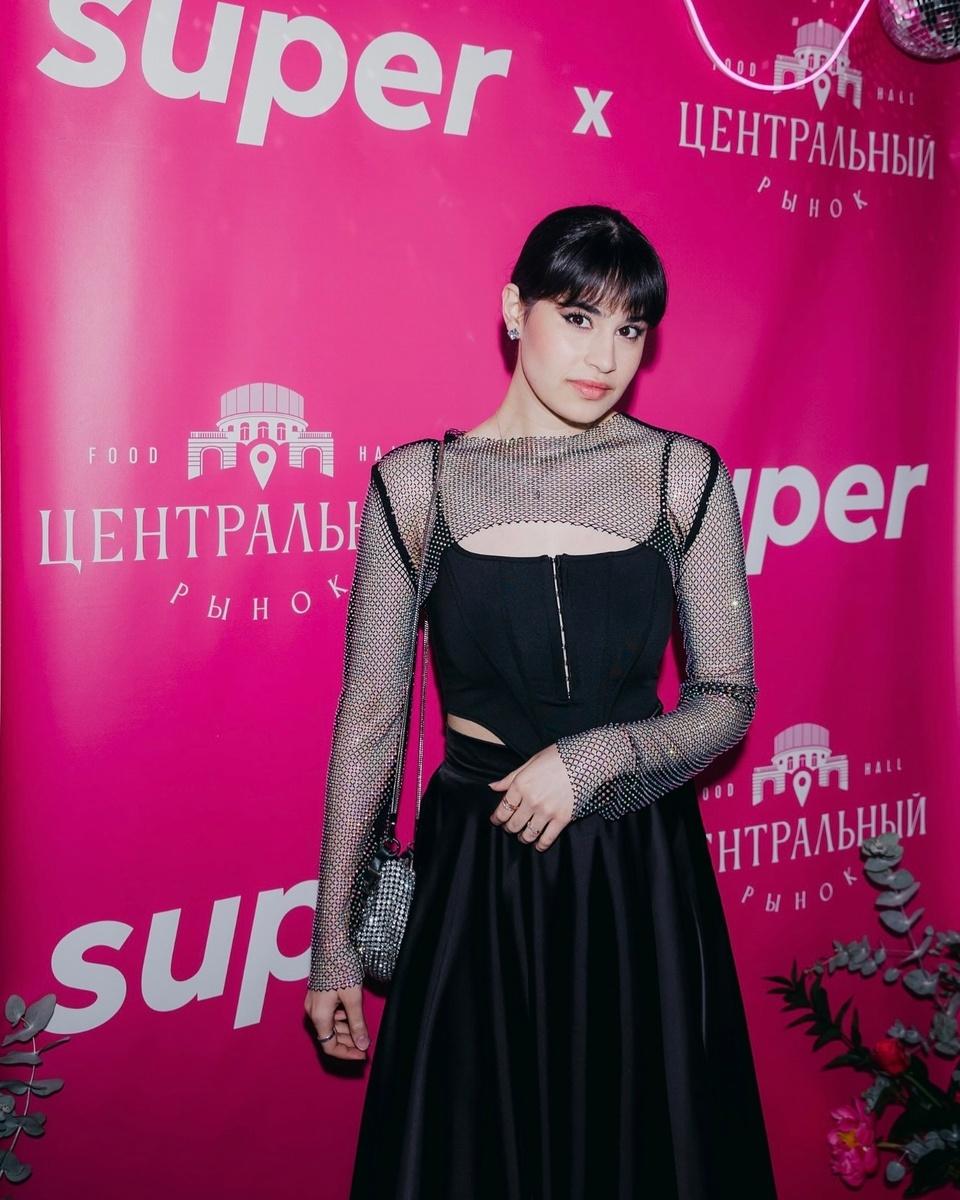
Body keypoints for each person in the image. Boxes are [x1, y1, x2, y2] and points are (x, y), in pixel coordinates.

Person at [305, 204, 778, 1199]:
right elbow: (371, 721)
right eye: (578, 317)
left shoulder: (678, 475)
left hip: (634, 869)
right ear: (515, 310)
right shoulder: (420, 484)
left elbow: (727, 698)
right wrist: (334, 946)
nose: (605, 356)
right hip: (479, 875)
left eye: (630, 328)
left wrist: (594, 759)